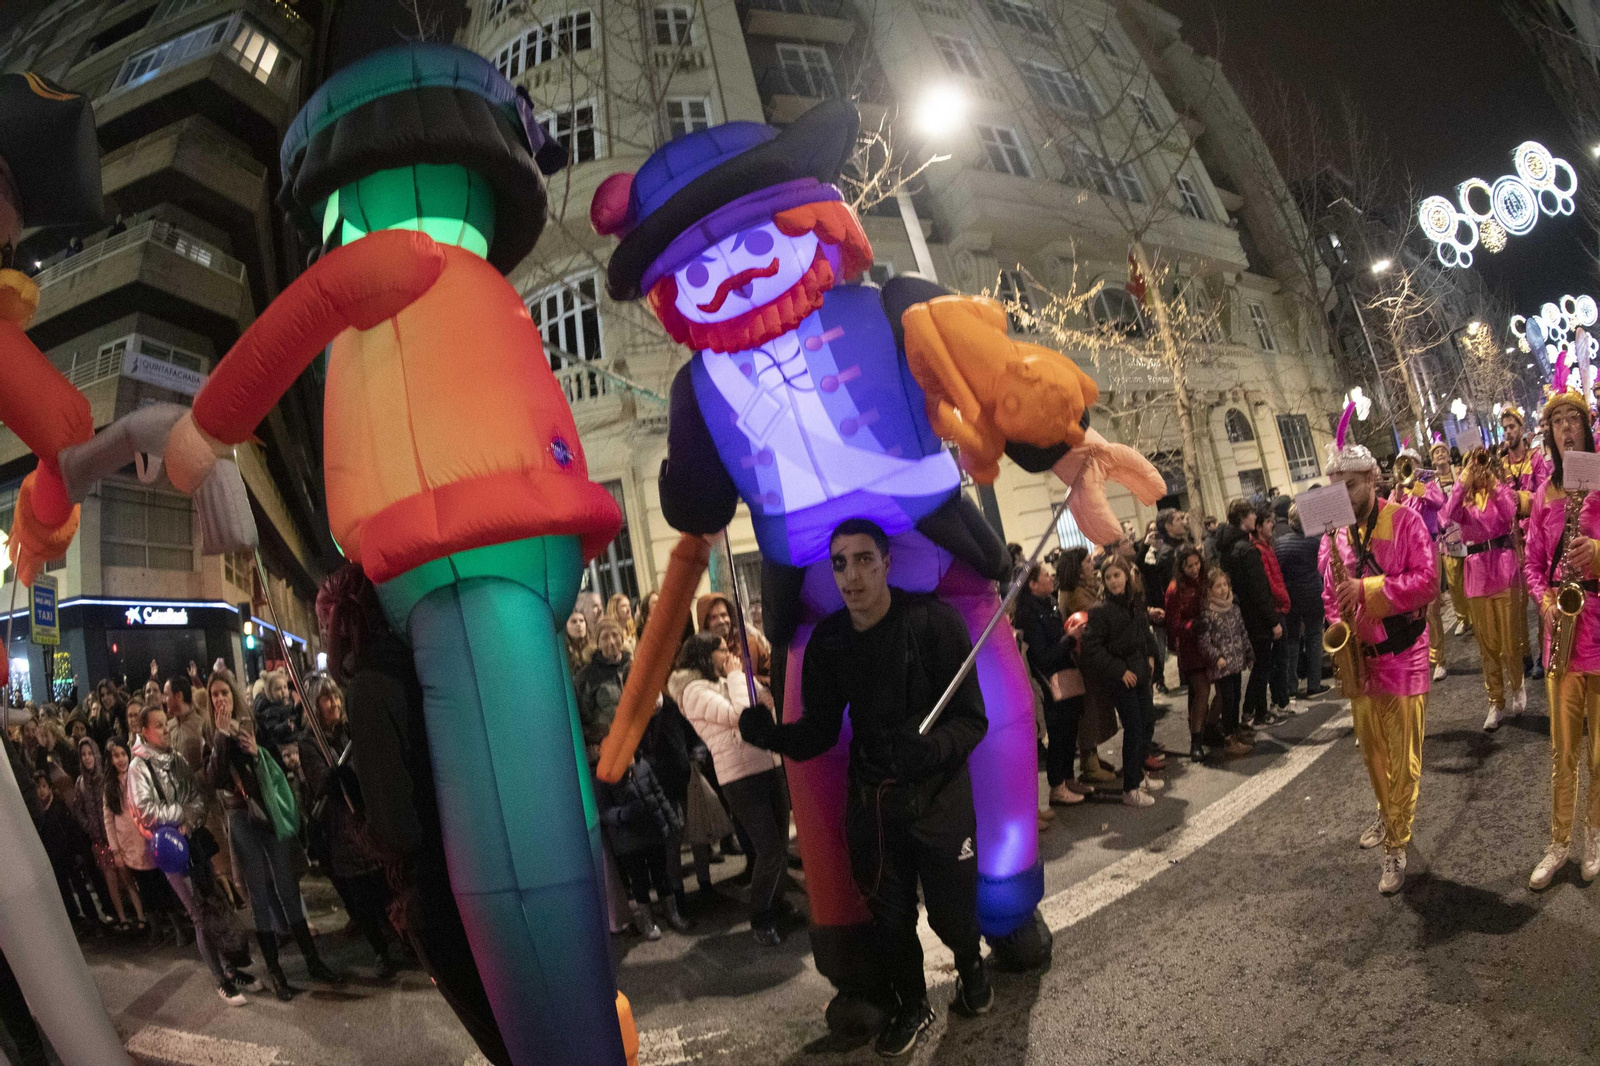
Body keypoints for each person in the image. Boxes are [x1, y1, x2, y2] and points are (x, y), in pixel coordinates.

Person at [739, 519, 993, 1058]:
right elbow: (819, 732)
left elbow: (973, 721)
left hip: (940, 798)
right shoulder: (831, 641)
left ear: (886, 563)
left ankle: (971, 965)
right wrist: (771, 736)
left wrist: (931, 749)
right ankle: (912, 1003)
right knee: (890, 918)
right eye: (839, 563)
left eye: (863, 560)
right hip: (873, 803)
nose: (850, 576)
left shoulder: (934, 623)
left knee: (952, 913)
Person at [317, 564, 512, 1066]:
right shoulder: (429, 660)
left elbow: (397, 829)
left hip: (436, 888)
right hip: (491, 855)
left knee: (502, 1040)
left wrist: (355, 817)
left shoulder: (369, 686)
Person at [1321, 426, 1436, 895]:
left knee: (1404, 762)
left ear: (1371, 478)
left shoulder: (1404, 521)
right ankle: (1389, 814)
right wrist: (1339, 624)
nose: (1343, 497)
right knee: (1374, 757)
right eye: (1336, 488)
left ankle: (1396, 843)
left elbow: (1428, 582)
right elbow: (1330, 594)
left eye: (1350, 485)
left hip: (1403, 655)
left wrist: (1367, 589)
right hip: (1361, 661)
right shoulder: (1333, 535)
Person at [205, 668, 338, 999]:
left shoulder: (251, 722)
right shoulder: (213, 732)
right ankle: (276, 973)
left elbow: (277, 762)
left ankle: (313, 961)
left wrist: (257, 752)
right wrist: (221, 737)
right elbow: (215, 779)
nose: (220, 699)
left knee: (287, 884)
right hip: (241, 818)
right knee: (260, 893)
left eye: (224, 692)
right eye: (214, 694)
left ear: (234, 695)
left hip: (269, 814)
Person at [1522, 384, 1600, 889]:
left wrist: (1598, 551)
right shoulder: (1545, 494)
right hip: (1563, 633)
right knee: (1563, 751)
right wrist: (1546, 603)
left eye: (1573, 418)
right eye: (1557, 421)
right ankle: (1559, 841)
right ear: (1549, 433)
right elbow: (1532, 564)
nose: (1566, 427)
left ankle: (1594, 833)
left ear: (1586, 426)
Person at [670, 631, 790, 944]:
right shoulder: (694, 691)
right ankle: (761, 918)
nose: (729, 656)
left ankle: (776, 906)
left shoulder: (726, 681)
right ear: (704, 656)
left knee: (780, 846)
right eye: (722, 650)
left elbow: (767, 702)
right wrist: (738, 677)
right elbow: (741, 715)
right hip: (741, 776)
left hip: (769, 763)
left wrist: (747, 686)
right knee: (769, 850)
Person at [128, 707, 248, 1004]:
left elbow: (198, 797)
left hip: (193, 842)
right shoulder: (138, 768)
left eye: (165, 724)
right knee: (198, 914)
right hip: (171, 852)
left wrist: (190, 820)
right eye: (158, 726)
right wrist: (180, 815)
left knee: (213, 905)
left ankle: (230, 968)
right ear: (144, 731)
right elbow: (144, 811)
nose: (165, 730)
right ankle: (220, 978)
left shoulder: (176, 760)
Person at [300, 678, 398, 977]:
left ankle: (400, 937)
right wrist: (336, 776)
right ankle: (380, 951)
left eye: (335, 697)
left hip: (367, 815)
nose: (334, 703)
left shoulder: (348, 730)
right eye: (326, 699)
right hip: (341, 825)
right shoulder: (310, 742)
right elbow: (322, 782)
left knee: (385, 885)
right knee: (362, 896)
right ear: (316, 705)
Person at [1442, 449, 1525, 731]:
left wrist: (1492, 481)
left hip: (1503, 568)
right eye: (1472, 465)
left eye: (1480, 463)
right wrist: (1463, 480)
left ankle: (1517, 684)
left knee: (1509, 641)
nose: (1477, 469)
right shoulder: (1463, 499)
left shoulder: (1499, 489)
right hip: (1477, 573)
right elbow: (1447, 515)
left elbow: (1511, 512)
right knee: (1487, 644)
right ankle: (1495, 701)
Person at [1080, 554, 1161, 806]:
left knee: (1146, 721)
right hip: (1121, 679)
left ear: (1127, 575)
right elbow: (1092, 648)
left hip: (1140, 672)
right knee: (1133, 728)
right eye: (1108, 577)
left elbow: (1143, 632)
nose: (1114, 581)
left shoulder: (1134, 603)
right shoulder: (1100, 611)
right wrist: (1119, 671)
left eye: (1117, 575)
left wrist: (1150, 656)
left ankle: (1140, 773)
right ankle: (1130, 788)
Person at [1013, 560, 1088, 807]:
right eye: (1045, 574)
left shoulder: (1050, 603)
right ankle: (1057, 786)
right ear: (1032, 584)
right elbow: (1042, 656)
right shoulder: (1028, 613)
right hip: (1049, 683)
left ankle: (1069, 778)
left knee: (1070, 731)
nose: (1051, 576)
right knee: (1059, 735)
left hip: (1065, 675)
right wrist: (1069, 639)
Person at [595, 748, 683, 941]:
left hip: (653, 831)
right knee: (639, 881)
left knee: (662, 875)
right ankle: (648, 922)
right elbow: (603, 810)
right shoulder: (605, 774)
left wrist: (671, 821)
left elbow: (658, 794)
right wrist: (622, 814)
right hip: (629, 840)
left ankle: (672, 915)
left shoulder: (643, 765)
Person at [1216, 499, 1285, 730]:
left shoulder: (1227, 547)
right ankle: (1253, 712)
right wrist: (1273, 621)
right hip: (1256, 617)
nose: (1255, 518)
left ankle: (1256, 712)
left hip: (1241, 614)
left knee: (1259, 664)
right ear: (1243, 518)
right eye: (1252, 515)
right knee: (1262, 665)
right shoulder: (1246, 549)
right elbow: (1259, 589)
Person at [1499, 404, 1551, 680]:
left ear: (1521, 429)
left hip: (1533, 536)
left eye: (1512, 427)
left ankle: (1544, 653)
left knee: (1540, 597)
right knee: (1516, 603)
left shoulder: (1536, 459)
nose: (1508, 432)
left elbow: (1543, 494)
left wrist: (1518, 499)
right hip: (1510, 541)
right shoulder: (1500, 465)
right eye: (1505, 428)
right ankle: (1525, 654)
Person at [1059, 547, 1117, 786]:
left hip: (1089, 657)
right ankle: (1090, 763)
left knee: (1095, 708)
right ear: (1076, 567)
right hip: (1085, 660)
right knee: (1090, 710)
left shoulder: (1082, 588)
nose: (1091, 563)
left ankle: (1091, 757)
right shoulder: (1075, 594)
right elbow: (1095, 616)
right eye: (1086, 561)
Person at [1391, 448, 1449, 683]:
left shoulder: (1428, 485)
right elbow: (1392, 521)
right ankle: (1420, 656)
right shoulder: (1399, 493)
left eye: (1411, 464)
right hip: (1407, 554)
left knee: (1432, 607)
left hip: (1429, 549)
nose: (1408, 469)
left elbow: (1438, 502)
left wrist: (1417, 485)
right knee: (1413, 609)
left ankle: (1439, 659)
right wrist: (1396, 498)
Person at [71, 737, 134, 929]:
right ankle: (122, 917)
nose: (87, 758)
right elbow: (77, 808)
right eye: (83, 754)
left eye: (90, 753)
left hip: (116, 836)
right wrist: (89, 827)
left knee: (126, 878)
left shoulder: (105, 778)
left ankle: (138, 913)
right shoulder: (81, 782)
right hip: (99, 840)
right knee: (111, 881)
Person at [30, 769, 103, 929]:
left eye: (44, 786)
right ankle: (75, 917)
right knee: (64, 889)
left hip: (68, 854)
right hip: (54, 857)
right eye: (38, 787)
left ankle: (92, 917)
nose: (41, 790)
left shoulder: (59, 806)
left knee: (80, 886)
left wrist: (77, 852)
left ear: (50, 787)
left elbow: (71, 830)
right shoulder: (38, 813)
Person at [1274, 504, 1328, 700]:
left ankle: (1291, 687)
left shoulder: (1279, 543)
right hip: (1313, 595)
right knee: (1314, 637)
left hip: (1290, 597)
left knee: (1292, 641)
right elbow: (1322, 567)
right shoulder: (1315, 542)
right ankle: (1314, 684)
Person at [1165, 545, 1214, 760]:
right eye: (1189, 566)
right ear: (1181, 567)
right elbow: (1173, 623)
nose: (1195, 569)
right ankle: (1196, 741)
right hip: (1190, 647)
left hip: (1209, 643)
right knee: (1201, 690)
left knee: (1204, 692)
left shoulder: (1205, 580)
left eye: (1197, 564)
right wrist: (1192, 625)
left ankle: (1208, 728)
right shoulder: (1175, 589)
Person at [1198, 570, 1253, 757]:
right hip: (1222, 666)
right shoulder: (1208, 614)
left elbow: (1242, 632)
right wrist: (1217, 657)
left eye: (1225, 585)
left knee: (1236, 696)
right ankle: (1229, 738)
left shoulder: (1234, 608)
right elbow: (1204, 642)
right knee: (1227, 700)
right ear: (1209, 590)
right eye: (1217, 586)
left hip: (1236, 662)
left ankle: (1235, 732)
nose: (1222, 589)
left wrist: (1248, 653)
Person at [100, 738, 150, 935]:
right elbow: (108, 820)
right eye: (116, 756)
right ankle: (143, 917)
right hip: (126, 842)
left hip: (144, 837)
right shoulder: (109, 786)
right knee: (132, 882)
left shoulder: (136, 775)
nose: (120, 759)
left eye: (123, 754)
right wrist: (115, 849)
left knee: (151, 879)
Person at [1139, 509, 1187, 694]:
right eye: (1178, 519)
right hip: (1163, 608)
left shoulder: (1176, 547)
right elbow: (1170, 588)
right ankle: (1160, 680)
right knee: (1161, 647)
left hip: (1172, 608)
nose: (1182, 522)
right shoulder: (1166, 554)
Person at [1254, 502, 1294, 717]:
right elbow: (1269, 582)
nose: (1272, 526)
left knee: (1281, 658)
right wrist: (1285, 598)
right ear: (1259, 526)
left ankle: (1281, 700)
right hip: (1275, 609)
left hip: (1279, 607)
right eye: (1269, 522)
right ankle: (1281, 702)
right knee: (1279, 660)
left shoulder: (1268, 546)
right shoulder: (1259, 550)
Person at [576, 620, 632, 767]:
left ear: (622, 638)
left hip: (637, 745)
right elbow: (580, 718)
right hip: (607, 750)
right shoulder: (587, 677)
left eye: (615, 635)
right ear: (597, 644)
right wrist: (593, 747)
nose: (611, 642)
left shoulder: (633, 666)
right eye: (605, 637)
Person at [1432, 441, 1472, 635]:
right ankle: (1463, 618)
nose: (1440, 454)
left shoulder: (1460, 473)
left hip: (1466, 531)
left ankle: (1476, 615)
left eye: (1443, 451)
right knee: (1455, 583)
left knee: (1471, 576)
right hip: (1447, 538)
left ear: (1449, 456)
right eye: (1436, 452)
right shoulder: (1432, 485)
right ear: (1432, 460)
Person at [253, 670, 300, 752]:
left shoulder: (288, 705)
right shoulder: (271, 710)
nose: (283, 691)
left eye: (285, 687)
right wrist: (286, 726)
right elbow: (272, 729)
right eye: (278, 689)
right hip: (283, 747)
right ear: (270, 692)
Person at [565, 611, 592, 677]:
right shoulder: (563, 653)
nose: (579, 624)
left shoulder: (594, 649)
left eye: (581, 621)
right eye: (574, 622)